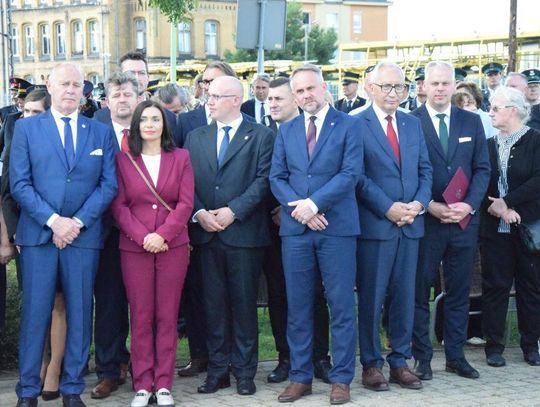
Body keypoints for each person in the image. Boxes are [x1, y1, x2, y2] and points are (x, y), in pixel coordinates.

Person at [10, 62, 117, 407]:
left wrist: (77, 223)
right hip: (39, 237)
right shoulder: (26, 129)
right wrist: (55, 221)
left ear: (84, 90)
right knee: (35, 315)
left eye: (76, 84)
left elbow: (108, 185)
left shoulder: (99, 132)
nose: (71, 90)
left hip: (83, 238)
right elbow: (19, 184)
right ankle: (28, 391)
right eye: (64, 83)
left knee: (81, 313)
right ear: (50, 86)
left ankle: (72, 388)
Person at [270, 64, 362, 405]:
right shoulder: (287, 130)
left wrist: (314, 204)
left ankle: (341, 378)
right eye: (300, 91)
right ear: (295, 96)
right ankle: (300, 377)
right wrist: (302, 210)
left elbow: (350, 173)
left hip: (337, 229)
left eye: (311, 88)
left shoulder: (348, 125)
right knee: (298, 305)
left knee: (340, 305)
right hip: (297, 231)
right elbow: (277, 177)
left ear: (324, 88)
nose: (306, 95)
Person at [184, 76, 274, 396]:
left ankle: (245, 372)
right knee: (213, 307)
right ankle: (218, 370)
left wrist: (233, 211)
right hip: (206, 235)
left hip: (244, 235)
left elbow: (264, 180)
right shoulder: (196, 137)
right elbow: (185, 182)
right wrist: (199, 213)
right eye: (208, 95)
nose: (209, 101)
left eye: (216, 96)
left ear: (236, 99)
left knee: (243, 306)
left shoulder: (261, 135)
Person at [111, 100, 194, 407]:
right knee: (141, 315)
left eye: (155, 119)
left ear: (164, 125)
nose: (149, 124)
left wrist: (162, 235)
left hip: (172, 246)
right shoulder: (123, 160)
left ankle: (164, 384)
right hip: (135, 247)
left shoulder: (181, 157)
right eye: (144, 119)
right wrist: (144, 236)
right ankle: (143, 384)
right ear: (136, 125)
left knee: (167, 315)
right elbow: (119, 206)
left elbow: (186, 203)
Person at [411, 61, 490, 381]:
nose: (441, 88)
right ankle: (422, 358)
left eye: (446, 83)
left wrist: (469, 205)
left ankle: (456, 357)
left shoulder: (471, 121)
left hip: (462, 222)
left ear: (455, 84)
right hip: (427, 221)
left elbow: (482, 168)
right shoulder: (410, 122)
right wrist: (428, 205)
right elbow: (407, 173)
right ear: (424, 86)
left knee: (459, 292)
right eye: (435, 83)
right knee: (419, 292)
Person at [356, 61, 432, 392]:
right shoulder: (355, 123)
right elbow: (357, 175)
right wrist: (387, 208)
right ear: (370, 87)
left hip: (411, 224)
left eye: (400, 87)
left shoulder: (412, 123)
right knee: (372, 298)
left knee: (405, 296)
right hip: (376, 226)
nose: (393, 93)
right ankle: (372, 364)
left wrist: (419, 204)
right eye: (386, 86)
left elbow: (425, 170)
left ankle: (400, 361)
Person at [264, 77, 332, 384]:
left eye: (279, 98)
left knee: (316, 294)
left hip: (315, 221)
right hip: (274, 227)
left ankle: (320, 357)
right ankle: (286, 358)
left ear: (295, 100)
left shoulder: (318, 130)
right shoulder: (266, 133)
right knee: (280, 295)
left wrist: (304, 210)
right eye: (269, 99)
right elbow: (269, 178)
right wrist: (290, 208)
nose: (273, 104)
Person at [176, 61, 238, 379]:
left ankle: (234, 359)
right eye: (205, 82)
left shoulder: (245, 120)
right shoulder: (186, 122)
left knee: (232, 297)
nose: (208, 87)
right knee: (199, 294)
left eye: (215, 82)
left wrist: (232, 210)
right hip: (197, 224)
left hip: (235, 224)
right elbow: (179, 173)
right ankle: (200, 354)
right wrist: (197, 212)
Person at [479, 86, 540, 368]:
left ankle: (530, 345)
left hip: (527, 227)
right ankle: (493, 346)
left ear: (512, 110)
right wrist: (499, 208)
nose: (490, 112)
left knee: (531, 287)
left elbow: (537, 181)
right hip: (495, 229)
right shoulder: (488, 144)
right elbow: (480, 181)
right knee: (495, 286)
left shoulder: (535, 140)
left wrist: (511, 206)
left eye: (495, 107)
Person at [91, 72, 141, 400]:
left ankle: (145, 368)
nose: (122, 100)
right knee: (109, 303)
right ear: (107, 101)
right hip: (105, 231)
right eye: (116, 95)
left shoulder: (153, 127)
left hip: (144, 232)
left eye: (127, 94)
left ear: (138, 98)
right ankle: (109, 370)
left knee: (144, 304)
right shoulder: (93, 130)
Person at [94, 51, 181, 147]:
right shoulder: (100, 118)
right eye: (130, 73)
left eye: (141, 73)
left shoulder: (168, 118)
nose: (136, 78)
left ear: (148, 78)